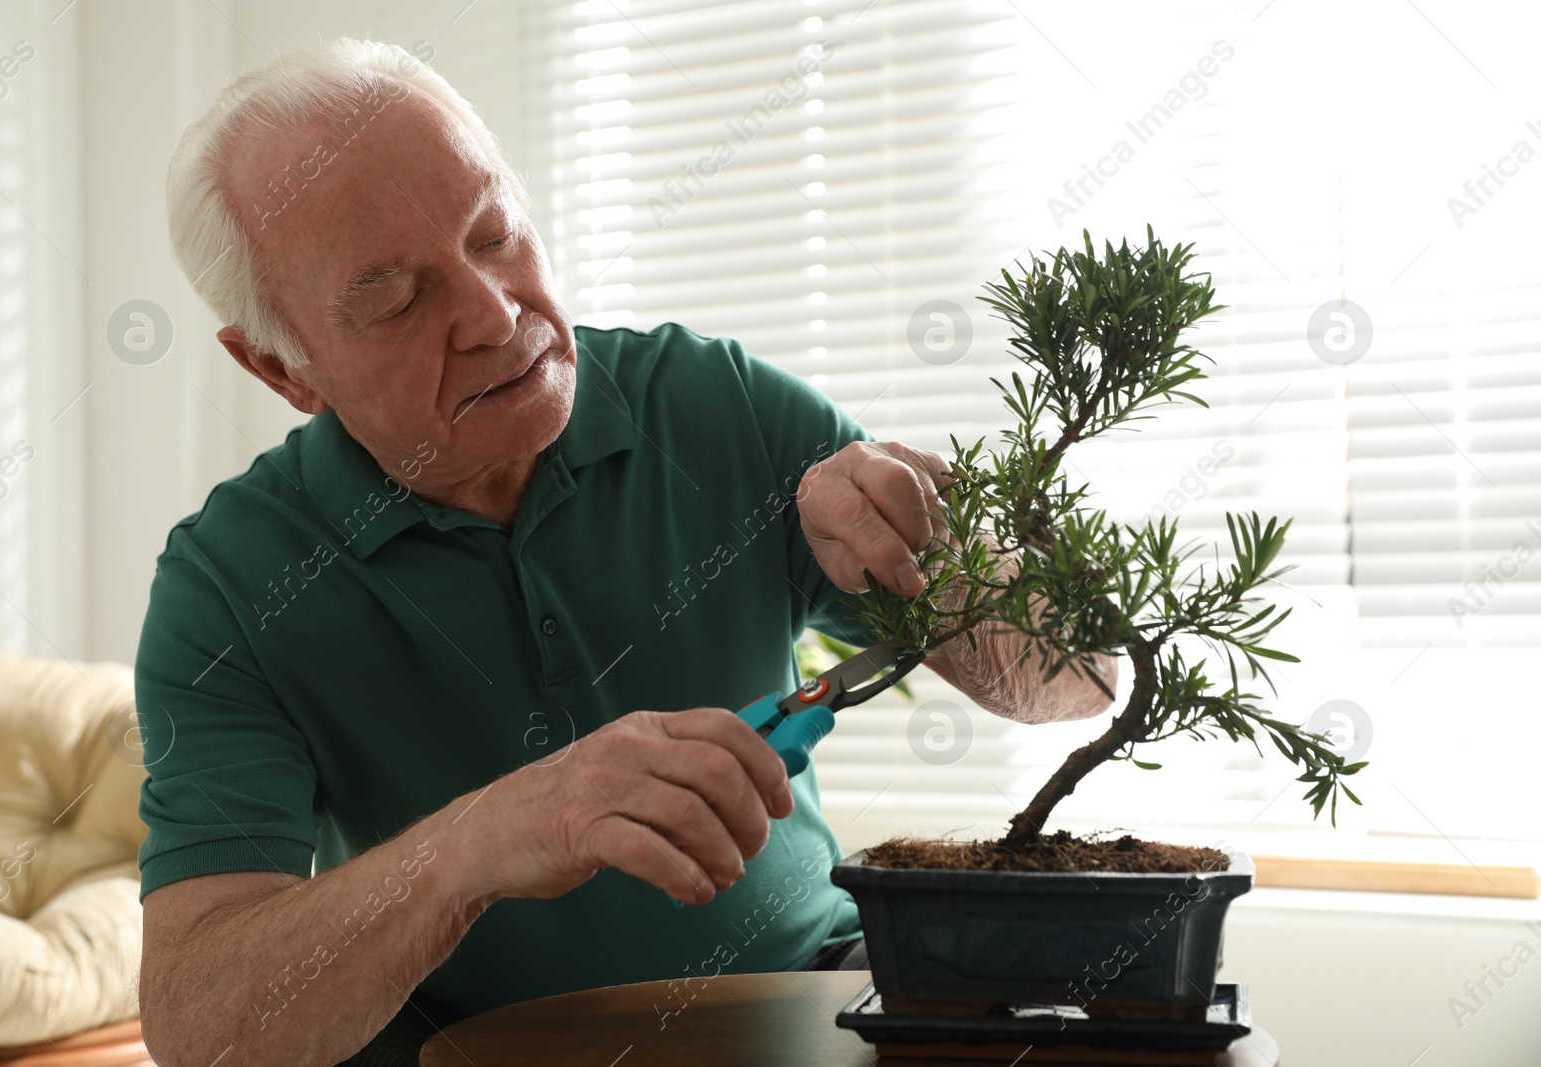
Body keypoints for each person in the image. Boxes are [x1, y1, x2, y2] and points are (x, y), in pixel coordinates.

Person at [134, 38, 1114, 1067]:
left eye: (496, 233)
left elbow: (1084, 676)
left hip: (808, 1016)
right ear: (281, 365)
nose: (493, 312)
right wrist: (472, 845)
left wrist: (940, 556)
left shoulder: (720, 408)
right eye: (396, 298)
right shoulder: (231, 584)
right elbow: (203, 1025)